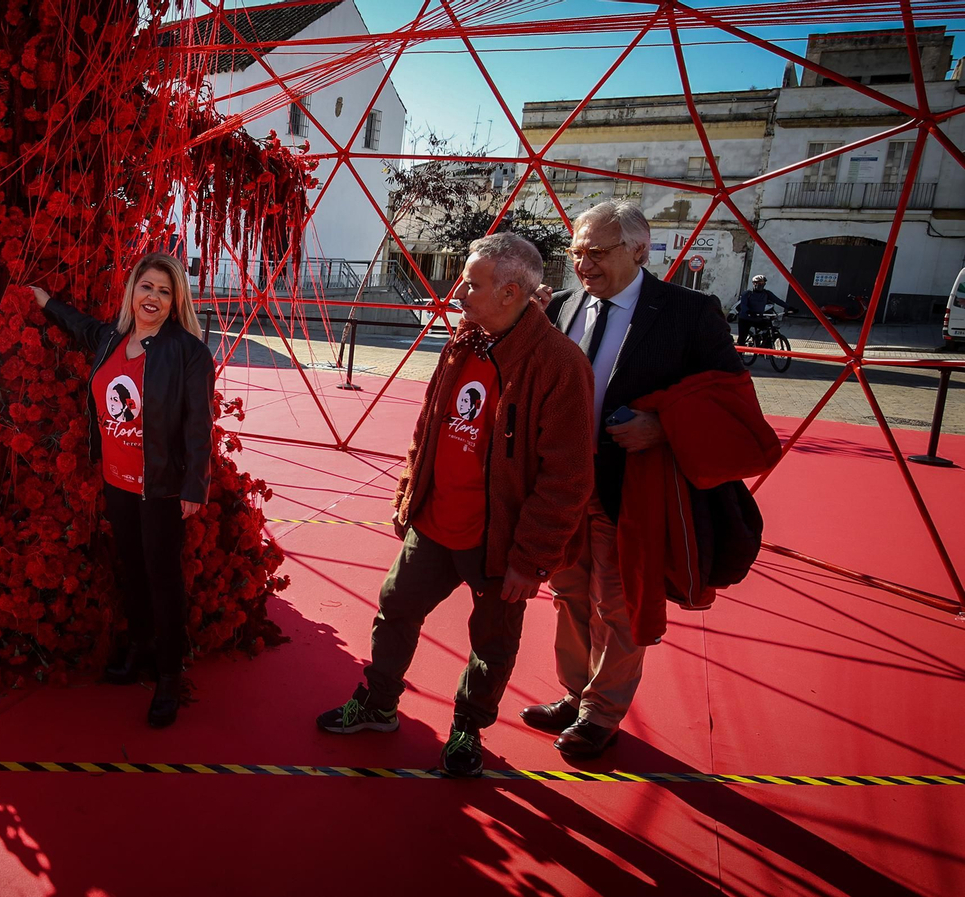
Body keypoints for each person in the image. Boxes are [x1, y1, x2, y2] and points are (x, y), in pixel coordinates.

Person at [314, 233, 596, 777]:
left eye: (472, 283)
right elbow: (429, 426)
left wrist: (529, 558)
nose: (459, 292)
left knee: (492, 640)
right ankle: (377, 704)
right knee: (395, 608)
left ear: (512, 292)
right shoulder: (465, 342)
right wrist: (407, 496)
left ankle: (468, 727)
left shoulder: (559, 366)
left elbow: (568, 477)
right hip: (435, 523)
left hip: (501, 541)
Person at [524, 200, 746, 759]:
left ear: (640, 250)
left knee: (617, 603)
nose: (582, 265)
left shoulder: (688, 312)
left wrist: (662, 427)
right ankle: (576, 694)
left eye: (596, 253)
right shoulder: (563, 306)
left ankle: (602, 713)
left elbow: (732, 397)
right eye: (576, 253)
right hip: (565, 483)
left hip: (633, 487)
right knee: (568, 591)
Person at [29, 252, 214, 728]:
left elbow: (198, 426)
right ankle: (141, 647)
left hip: (161, 489)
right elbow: (80, 325)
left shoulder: (188, 352)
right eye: (145, 287)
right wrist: (45, 301)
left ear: (175, 302)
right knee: (132, 570)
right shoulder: (112, 338)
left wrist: (194, 483)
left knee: (163, 578)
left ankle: (169, 675)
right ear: (132, 291)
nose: (152, 297)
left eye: (164, 291)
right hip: (118, 482)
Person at [735, 274, 780, 346]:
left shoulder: (766, 293)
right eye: (759, 283)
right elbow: (743, 305)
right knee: (742, 339)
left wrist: (789, 308)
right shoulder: (747, 293)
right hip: (746, 318)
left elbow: (778, 301)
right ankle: (739, 355)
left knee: (771, 330)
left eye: (763, 283)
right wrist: (748, 311)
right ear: (754, 283)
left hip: (758, 318)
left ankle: (764, 348)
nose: (761, 285)